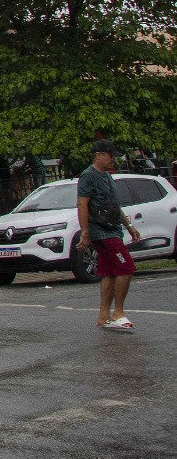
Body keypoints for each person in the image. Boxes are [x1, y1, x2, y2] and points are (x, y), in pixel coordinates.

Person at [77, 140, 140, 331]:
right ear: (98, 155)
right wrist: (85, 233)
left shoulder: (107, 176)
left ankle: (104, 315)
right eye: (110, 155)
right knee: (126, 268)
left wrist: (129, 226)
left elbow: (114, 205)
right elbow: (82, 204)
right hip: (102, 232)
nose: (113, 159)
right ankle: (118, 312)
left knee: (109, 272)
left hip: (113, 229)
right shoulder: (89, 176)